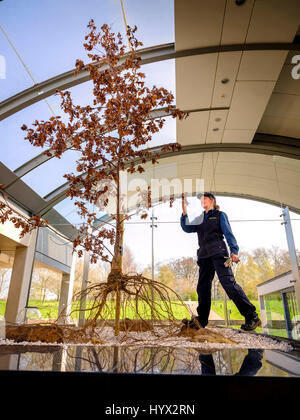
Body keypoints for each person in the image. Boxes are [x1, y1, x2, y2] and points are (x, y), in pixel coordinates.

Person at [180, 192, 261, 331]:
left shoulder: (219, 215)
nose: (202, 201)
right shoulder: (200, 218)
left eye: (204, 199)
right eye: (201, 200)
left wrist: (234, 250)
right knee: (202, 288)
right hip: (204, 256)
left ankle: (251, 316)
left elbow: (228, 233)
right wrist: (184, 211)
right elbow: (187, 228)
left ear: (212, 200)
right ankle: (201, 321)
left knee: (228, 283)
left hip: (218, 253)